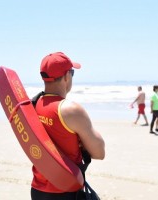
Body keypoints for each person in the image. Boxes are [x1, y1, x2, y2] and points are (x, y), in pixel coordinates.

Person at [31, 52, 105, 200]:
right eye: (72, 72)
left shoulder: (34, 105)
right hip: (65, 192)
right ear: (66, 76)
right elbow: (99, 152)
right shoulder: (70, 110)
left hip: (38, 190)